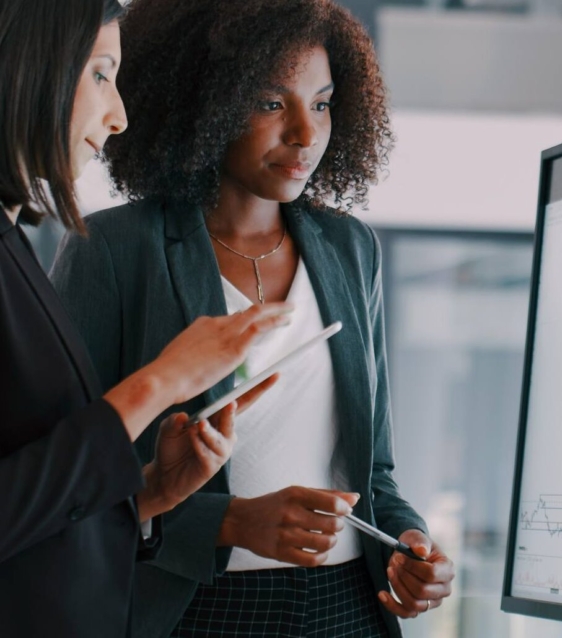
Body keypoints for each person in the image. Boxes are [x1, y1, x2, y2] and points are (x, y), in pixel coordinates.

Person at [51, 0, 456, 635]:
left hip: (348, 608)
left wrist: (411, 543)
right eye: (272, 103)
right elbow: (68, 482)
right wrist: (231, 521)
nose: (305, 133)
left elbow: (374, 471)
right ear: (205, 103)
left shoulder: (351, 248)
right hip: (194, 609)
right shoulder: (112, 249)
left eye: (320, 103)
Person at [0, 1, 293, 635]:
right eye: (101, 74)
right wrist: (159, 383)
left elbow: (33, 504)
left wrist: (148, 492)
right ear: (30, 67)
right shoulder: (94, 247)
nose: (119, 114)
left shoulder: (14, 243)